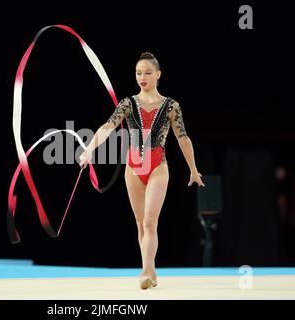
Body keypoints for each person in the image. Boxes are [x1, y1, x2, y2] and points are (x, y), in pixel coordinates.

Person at [79, 52, 205, 289]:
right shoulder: (128, 104)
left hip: (158, 165)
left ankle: (146, 271)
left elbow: (183, 138)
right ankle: (150, 268)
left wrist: (193, 169)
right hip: (133, 166)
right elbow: (108, 126)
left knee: (150, 222)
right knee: (140, 222)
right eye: (138, 73)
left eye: (147, 72)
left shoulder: (170, 106)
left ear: (158, 74)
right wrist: (90, 150)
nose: (142, 77)